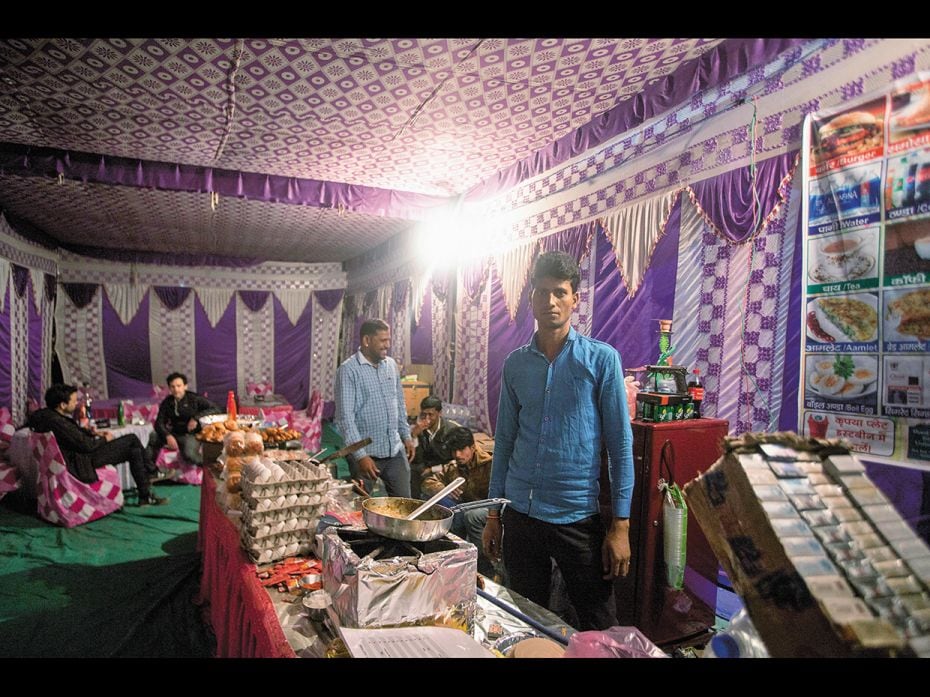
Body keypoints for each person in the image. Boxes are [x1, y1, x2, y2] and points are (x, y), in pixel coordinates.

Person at [482, 250, 634, 631]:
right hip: (521, 515)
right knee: (527, 618)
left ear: (574, 299)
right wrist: (493, 515)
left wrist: (620, 526)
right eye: (542, 292)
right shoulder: (516, 364)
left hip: (576, 516)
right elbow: (504, 442)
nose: (550, 301)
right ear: (531, 298)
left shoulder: (601, 360)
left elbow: (620, 447)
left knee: (599, 622)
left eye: (560, 292)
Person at [28, 384, 168, 506]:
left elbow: (73, 437)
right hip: (80, 462)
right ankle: (150, 474)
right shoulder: (58, 422)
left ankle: (145, 493)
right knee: (131, 440)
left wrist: (89, 432)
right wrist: (105, 439)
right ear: (63, 405)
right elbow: (87, 446)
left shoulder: (44, 416)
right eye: (74, 401)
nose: (76, 403)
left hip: (75, 457)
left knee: (133, 449)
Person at [334, 318, 415, 497]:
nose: (387, 345)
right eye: (383, 340)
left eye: (388, 340)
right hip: (365, 456)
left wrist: (406, 436)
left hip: (394, 451)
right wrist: (361, 456)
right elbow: (345, 419)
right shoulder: (348, 371)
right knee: (362, 510)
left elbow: (399, 403)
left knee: (404, 507)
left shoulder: (391, 365)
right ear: (366, 340)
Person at [421, 426, 496, 576]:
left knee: (471, 515)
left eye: (462, 450)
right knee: (438, 502)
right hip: (465, 508)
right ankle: (451, 555)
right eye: (454, 451)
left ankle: (484, 566)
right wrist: (445, 488)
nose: (457, 454)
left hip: (491, 508)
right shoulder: (454, 467)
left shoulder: (490, 463)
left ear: (473, 447)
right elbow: (428, 482)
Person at [152, 372, 219, 465]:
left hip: (191, 434)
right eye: (172, 387)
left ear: (185, 386)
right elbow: (159, 422)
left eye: (179, 386)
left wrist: (196, 418)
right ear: (169, 389)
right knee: (152, 437)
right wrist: (167, 435)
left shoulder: (194, 399)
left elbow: (216, 409)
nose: (176, 389)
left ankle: (212, 466)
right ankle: (151, 472)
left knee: (189, 454)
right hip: (175, 433)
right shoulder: (167, 402)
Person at [408, 395, 460, 499]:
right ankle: (414, 505)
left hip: (445, 469)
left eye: (430, 415)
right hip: (423, 470)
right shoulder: (418, 428)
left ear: (439, 413)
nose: (427, 419)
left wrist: (432, 469)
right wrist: (414, 436)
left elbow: (457, 461)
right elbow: (415, 459)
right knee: (410, 471)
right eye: (424, 414)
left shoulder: (452, 430)